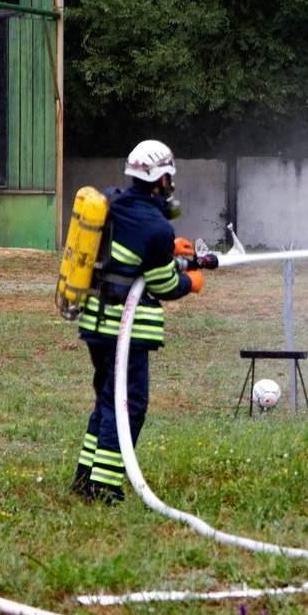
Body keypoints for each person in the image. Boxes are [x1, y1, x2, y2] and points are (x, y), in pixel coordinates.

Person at [71, 140, 203, 503]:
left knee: (107, 400)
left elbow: (128, 251)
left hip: (95, 322)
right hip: (122, 330)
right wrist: (191, 282)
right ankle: (105, 487)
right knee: (128, 404)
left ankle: (85, 477)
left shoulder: (114, 203)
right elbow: (163, 283)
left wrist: (171, 247)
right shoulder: (155, 226)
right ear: (162, 180)